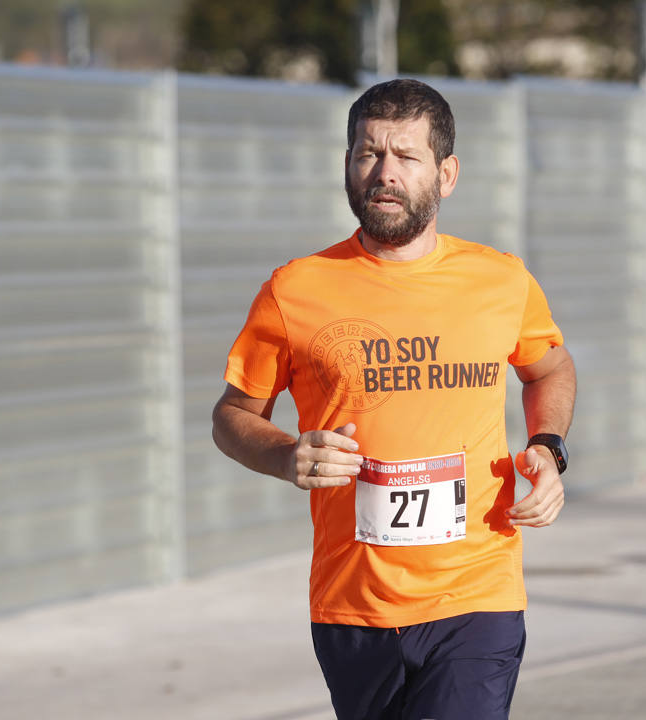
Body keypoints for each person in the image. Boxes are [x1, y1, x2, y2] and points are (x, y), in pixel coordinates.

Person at [211, 78, 576, 720]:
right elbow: (232, 416)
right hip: (354, 603)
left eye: (406, 156)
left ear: (447, 173)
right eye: (367, 154)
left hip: (477, 594)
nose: (384, 173)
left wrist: (548, 447)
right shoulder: (295, 290)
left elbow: (549, 370)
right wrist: (284, 455)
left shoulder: (501, 280)